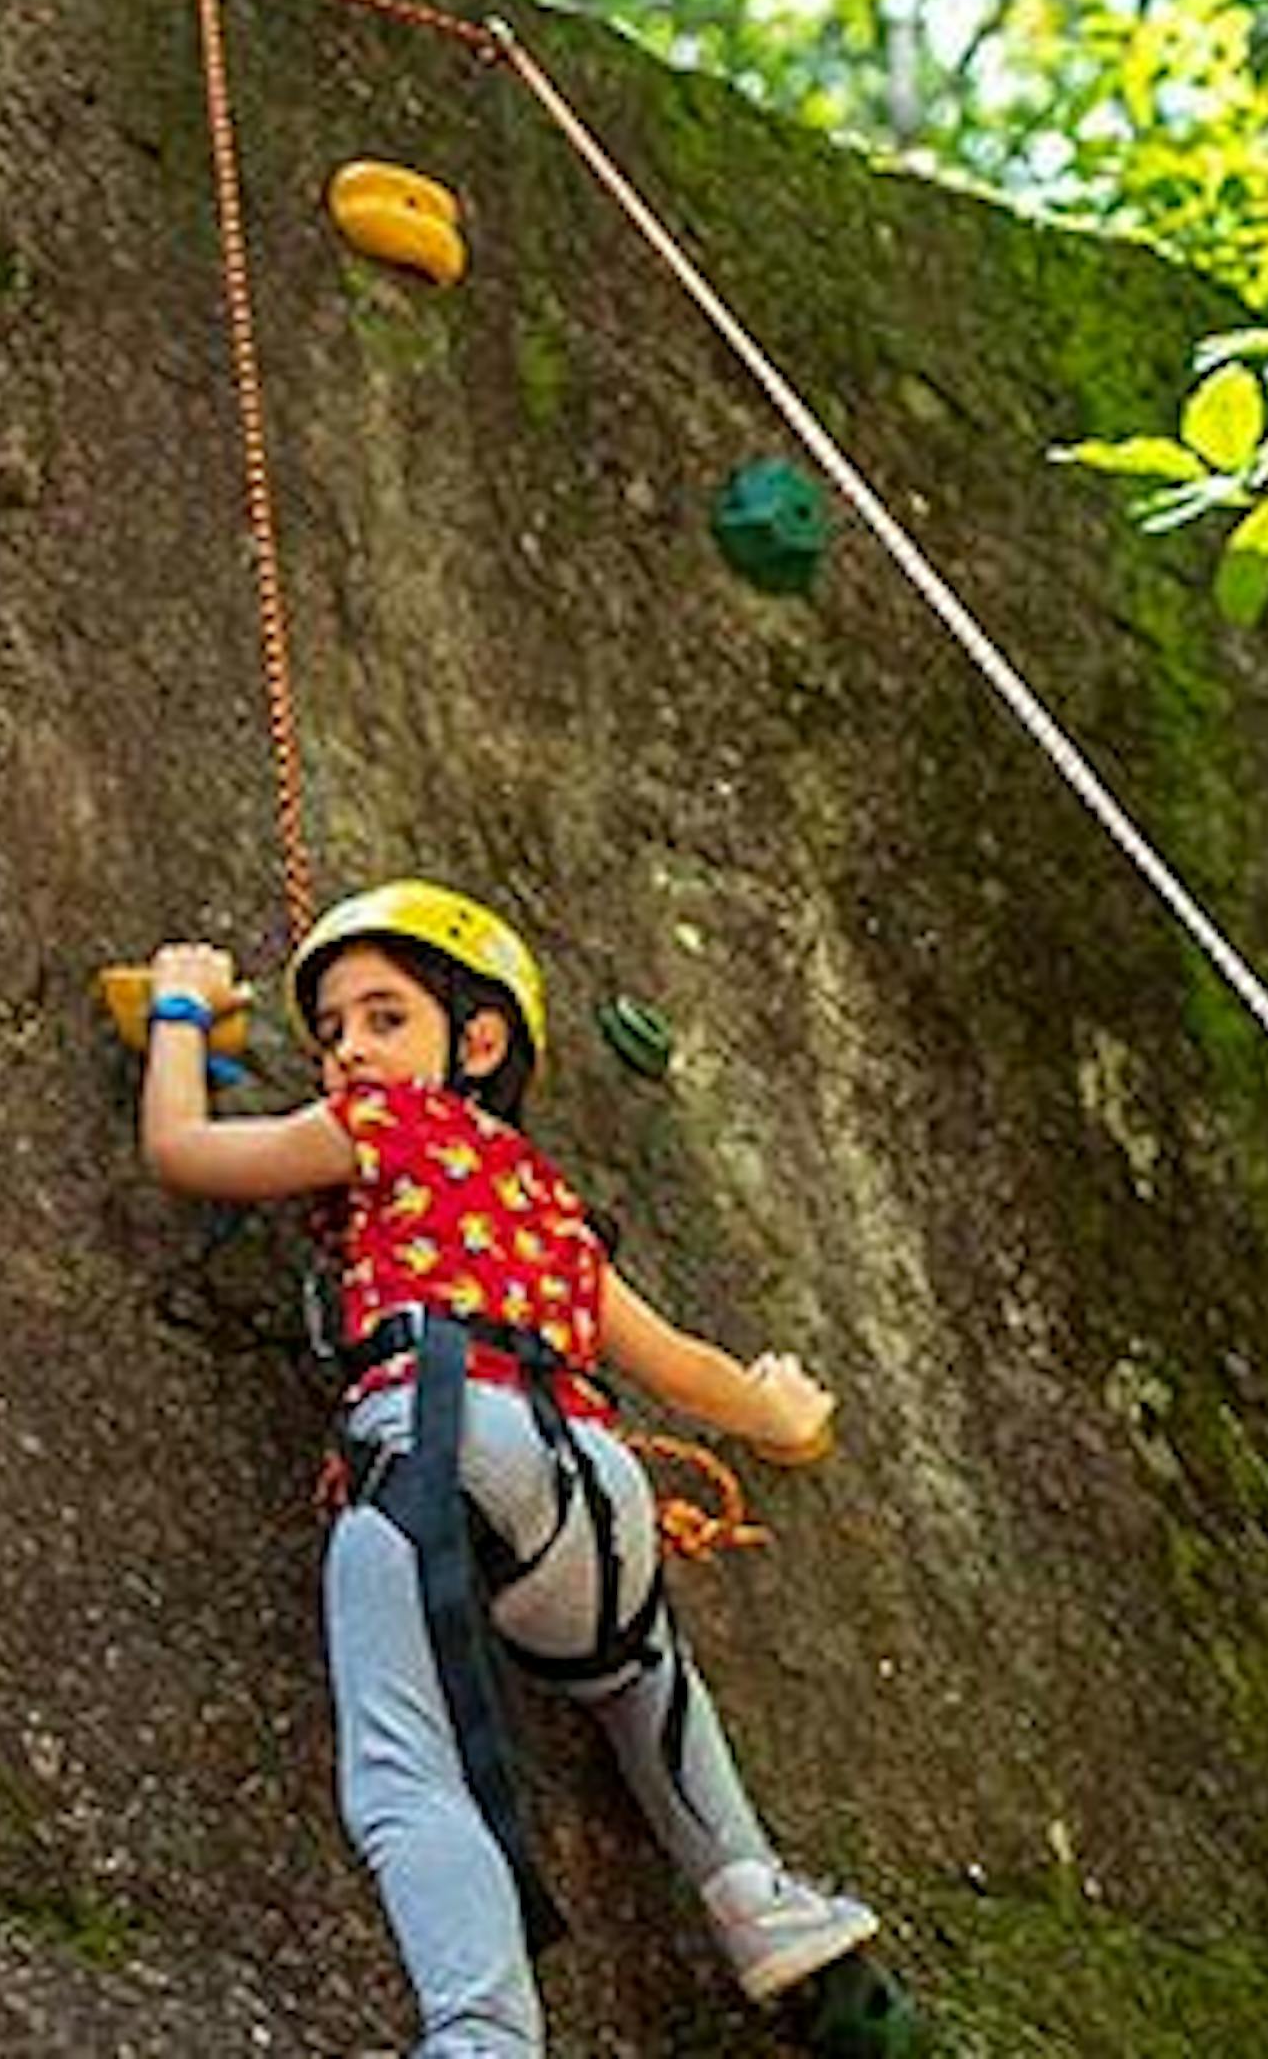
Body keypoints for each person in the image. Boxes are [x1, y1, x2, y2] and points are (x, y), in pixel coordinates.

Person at [137, 877, 882, 2057]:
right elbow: (680, 1365)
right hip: (595, 1478)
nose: (346, 1051)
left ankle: (484, 2033)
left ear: (477, 1038)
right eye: (331, 1030)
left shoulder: (379, 1126)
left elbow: (183, 1148)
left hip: (433, 1443)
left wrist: (179, 1014)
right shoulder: (551, 1203)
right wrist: (782, 1413)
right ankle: (754, 1894)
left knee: (402, 1768)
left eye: (384, 1017)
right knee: (645, 1672)